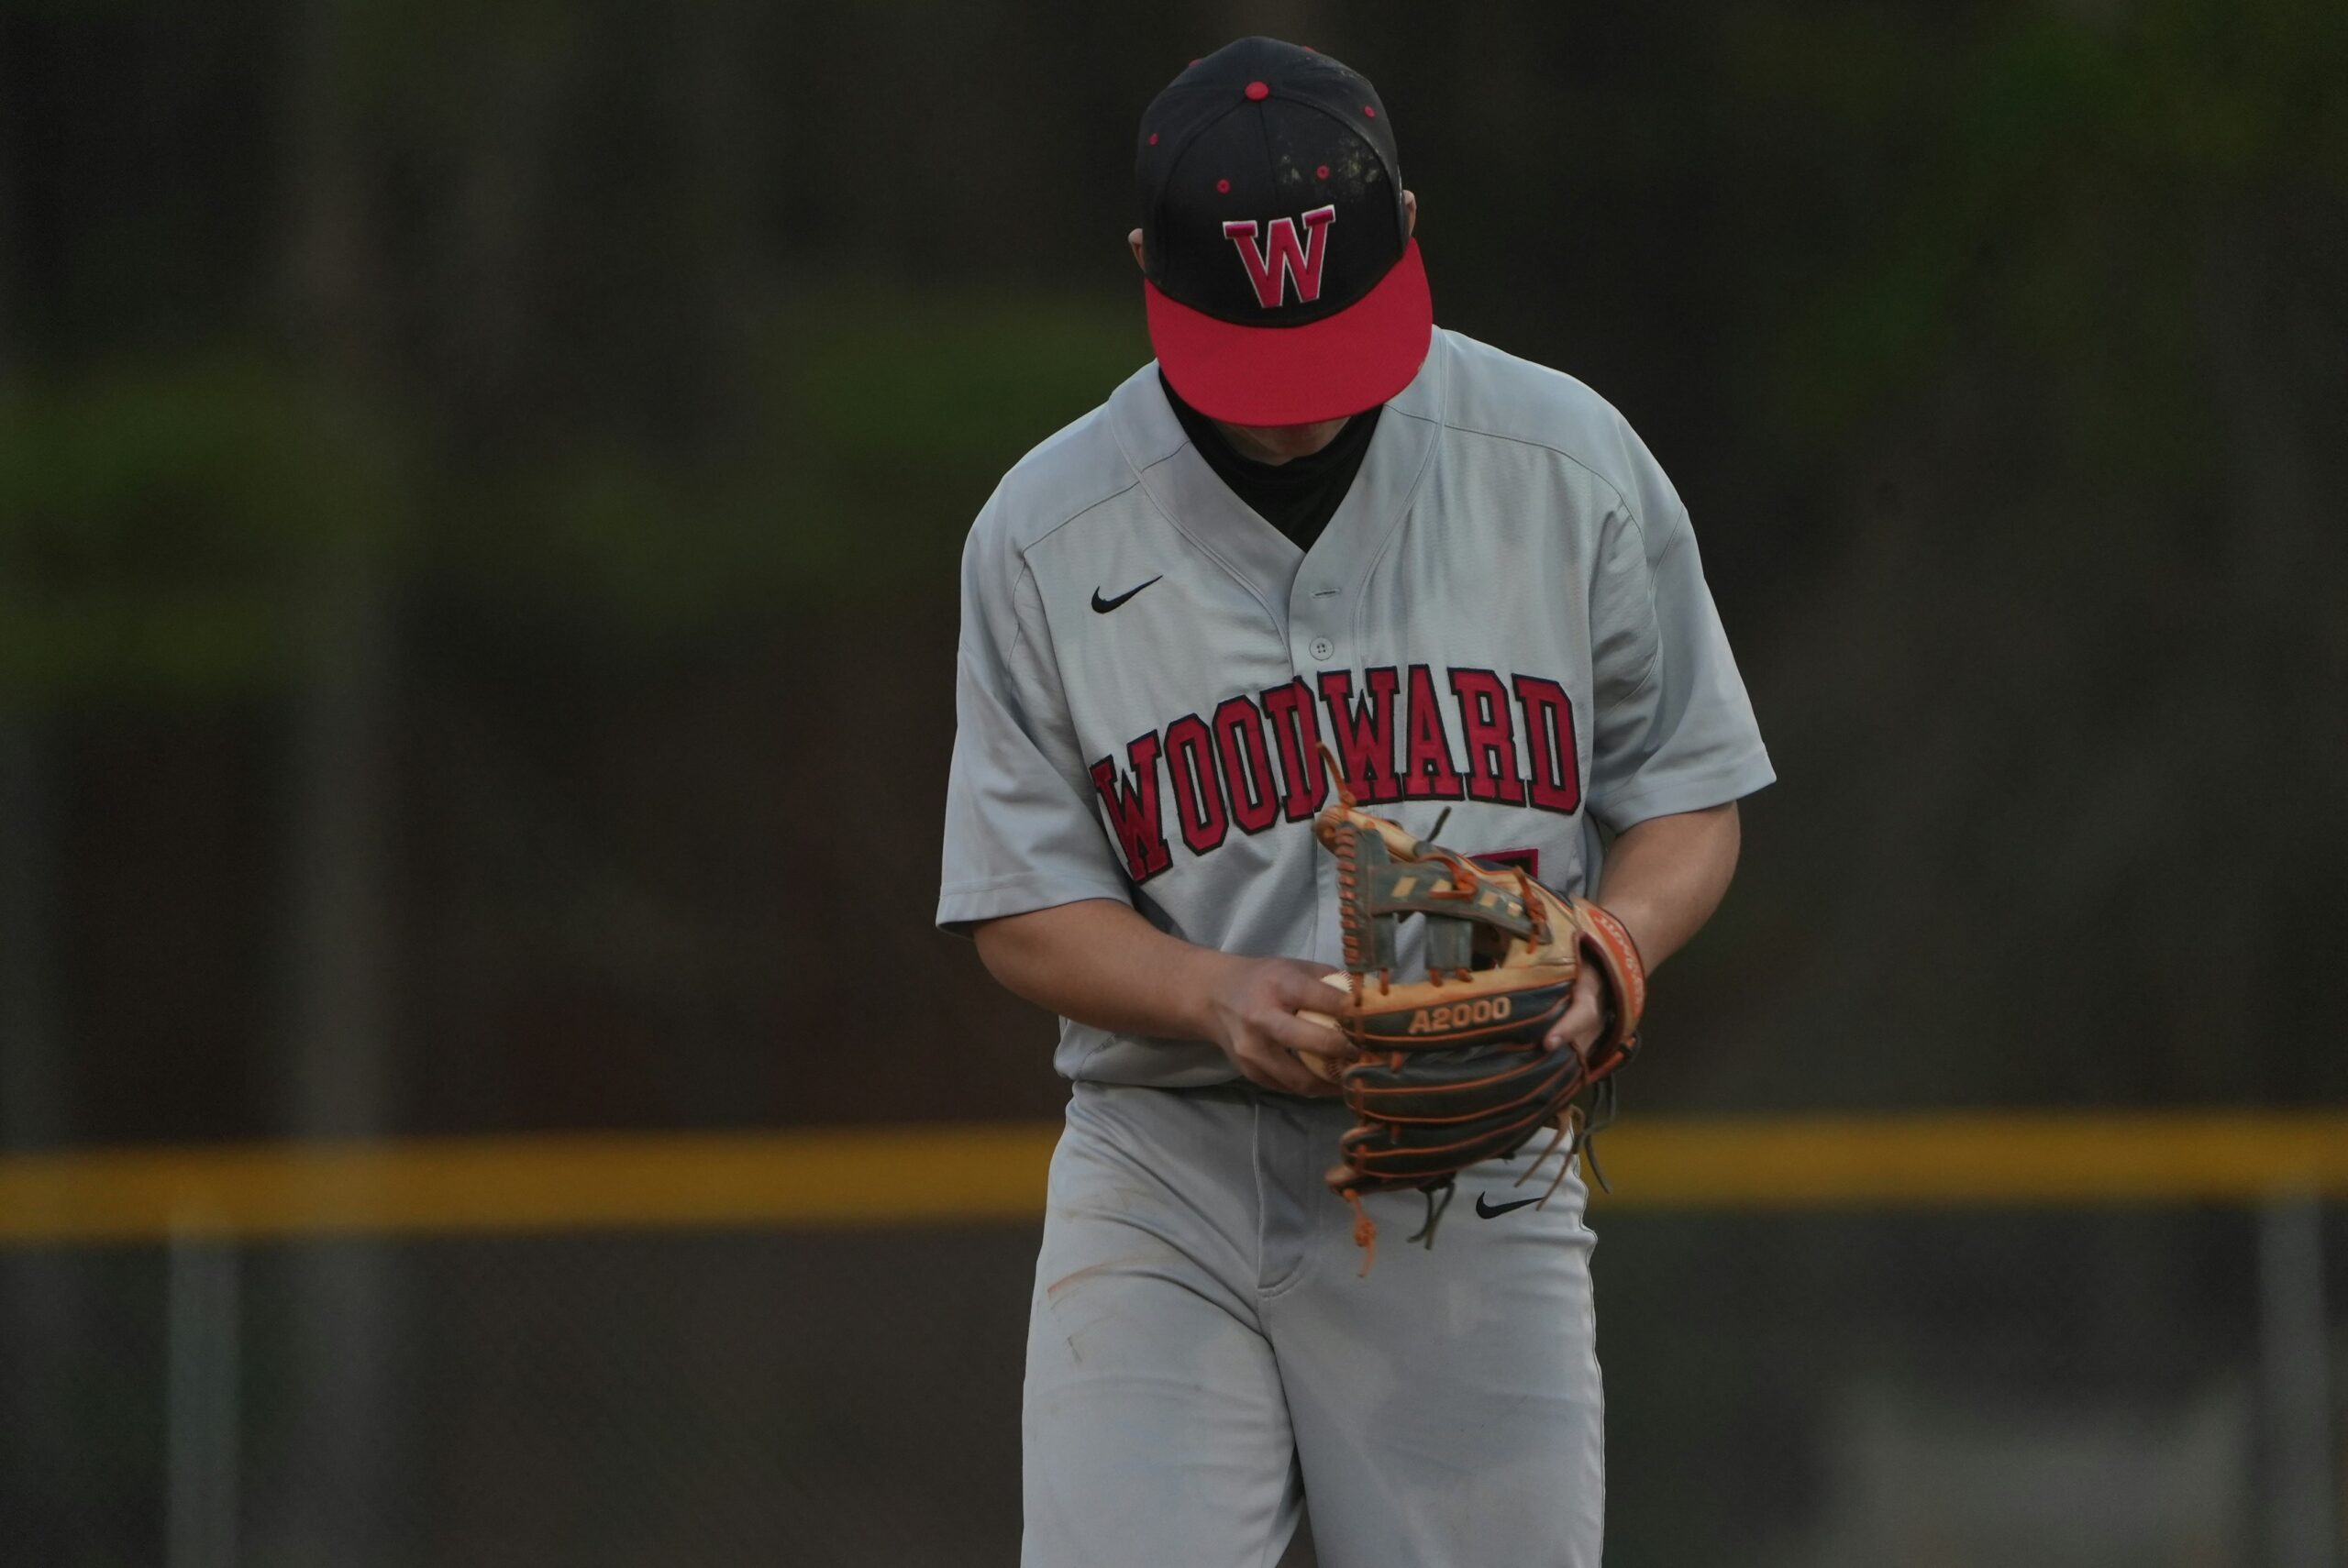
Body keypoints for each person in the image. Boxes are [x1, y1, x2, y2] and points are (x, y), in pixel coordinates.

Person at [937, 36, 1772, 1568]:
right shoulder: (1046, 530)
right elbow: (1018, 905)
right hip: (1162, 1166)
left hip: (1476, 1166)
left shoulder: (1564, 463)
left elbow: (1693, 800)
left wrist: (1613, 945)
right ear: (1143, 265)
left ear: (1412, 235)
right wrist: (1208, 989)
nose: (1291, 409)